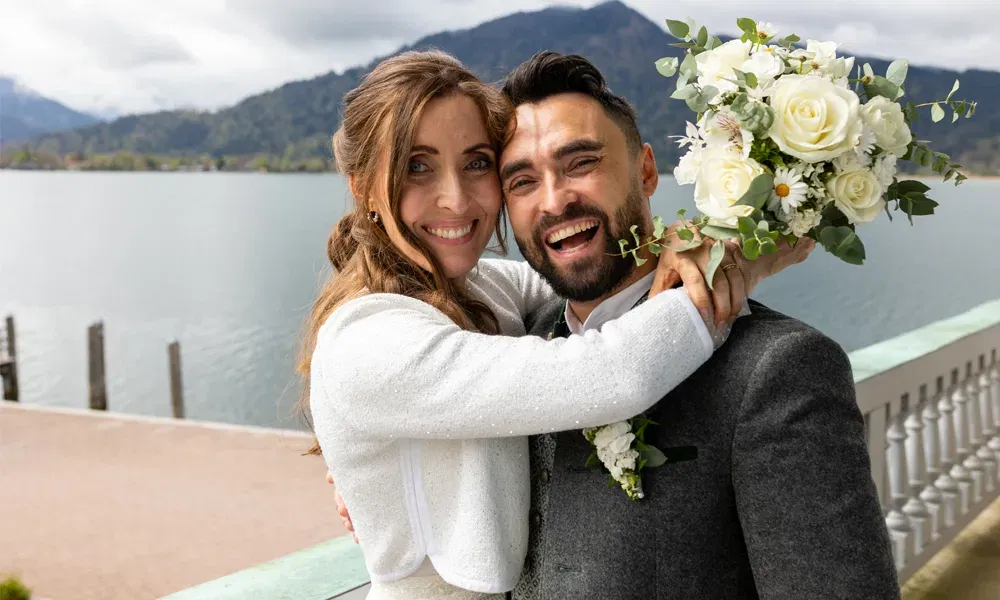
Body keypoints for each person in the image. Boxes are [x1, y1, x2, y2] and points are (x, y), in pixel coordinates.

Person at [303, 50, 808, 600]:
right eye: (416, 167)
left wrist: (695, 243)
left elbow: (595, 278)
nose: (455, 197)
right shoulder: (368, 341)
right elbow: (611, 372)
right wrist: (752, 264)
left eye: (476, 163)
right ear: (363, 188)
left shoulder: (482, 290)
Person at [493, 52, 899, 600]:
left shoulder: (779, 369)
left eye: (581, 163)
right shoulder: (515, 338)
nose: (554, 200)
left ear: (646, 170)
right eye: (521, 181)